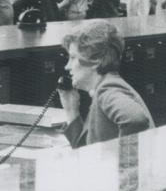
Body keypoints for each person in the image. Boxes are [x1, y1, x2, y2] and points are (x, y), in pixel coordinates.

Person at [57, 20, 155, 149]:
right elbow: (86, 151)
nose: (67, 67)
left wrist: (124, 161)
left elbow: (135, 119)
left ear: (95, 61)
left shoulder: (108, 90)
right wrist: (71, 110)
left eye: (73, 58)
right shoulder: (102, 88)